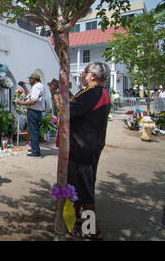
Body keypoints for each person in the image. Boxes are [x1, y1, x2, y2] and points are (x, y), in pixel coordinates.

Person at [49, 62, 111, 240]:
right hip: (91, 146)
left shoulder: (92, 94)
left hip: (82, 148)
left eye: (85, 72)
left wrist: (55, 94)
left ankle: (93, 229)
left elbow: (65, 110)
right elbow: (76, 103)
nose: (83, 74)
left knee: (85, 192)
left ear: (93, 76)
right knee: (79, 187)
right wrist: (63, 91)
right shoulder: (100, 93)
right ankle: (76, 221)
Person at [15, 72, 46, 158]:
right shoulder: (40, 86)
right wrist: (24, 86)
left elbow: (33, 101)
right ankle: (34, 148)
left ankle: (36, 152)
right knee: (34, 131)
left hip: (33, 111)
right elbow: (30, 96)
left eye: (30, 79)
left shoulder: (36, 87)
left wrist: (21, 102)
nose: (29, 80)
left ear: (34, 79)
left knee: (33, 132)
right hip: (37, 111)